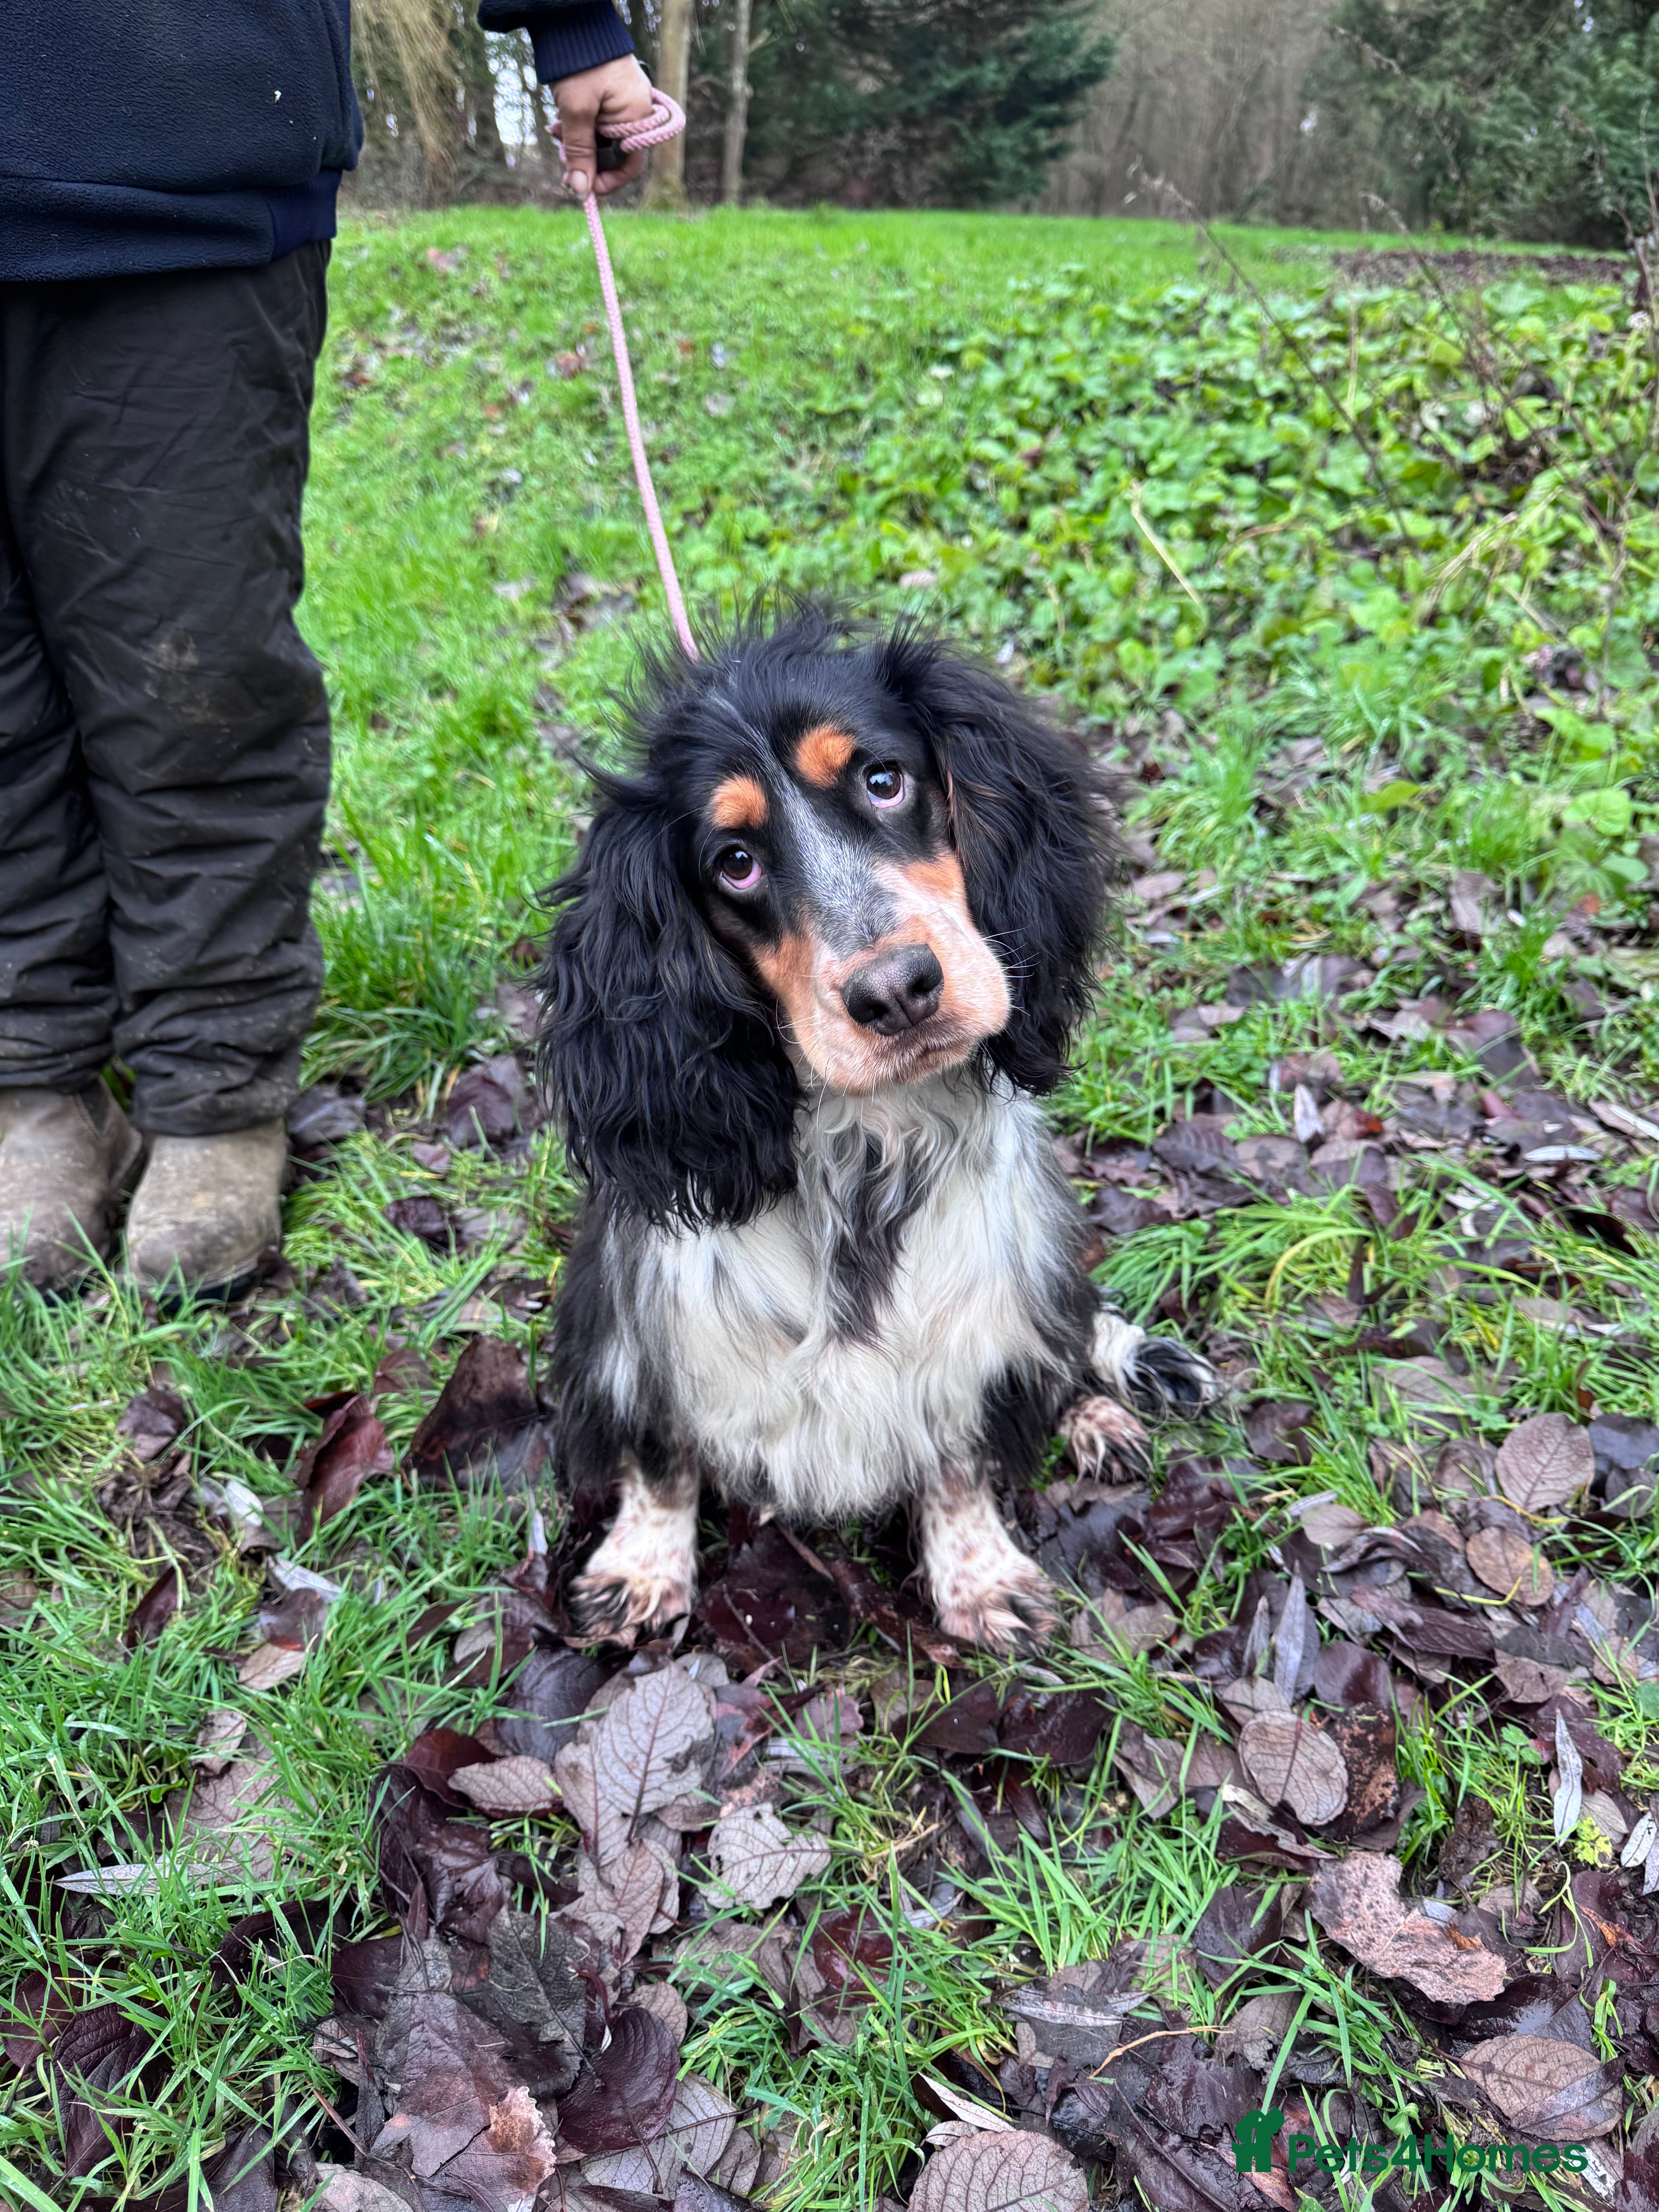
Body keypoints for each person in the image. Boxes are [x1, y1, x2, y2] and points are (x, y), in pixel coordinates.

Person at [0, 1, 652, 1296]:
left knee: (192, 669)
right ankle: (30, 1077)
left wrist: (572, 15)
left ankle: (213, 1085)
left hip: (175, 139)